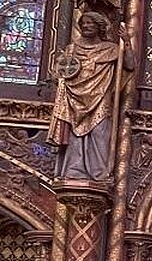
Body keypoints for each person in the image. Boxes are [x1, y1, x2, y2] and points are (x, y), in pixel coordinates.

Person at [49, 9, 130, 183]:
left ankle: (99, 173)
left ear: (99, 27)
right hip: (74, 98)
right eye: (83, 23)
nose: (86, 26)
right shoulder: (72, 50)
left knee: (100, 134)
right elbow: (61, 72)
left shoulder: (111, 49)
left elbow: (129, 65)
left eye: (90, 23)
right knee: (75, 136)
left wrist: (127, 42)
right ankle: (74, 170)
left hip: (100, 98)